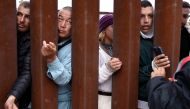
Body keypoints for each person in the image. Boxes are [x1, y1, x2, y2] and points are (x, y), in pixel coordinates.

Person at [138, 1, 170, 109]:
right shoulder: (131, 42)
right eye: (141, 16)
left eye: (150, 16)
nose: (146, 21)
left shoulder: (163, 37)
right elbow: (129, 76)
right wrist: (152, 66)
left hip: (164, 98)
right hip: (141, 100)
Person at [41, 6, 72, 109]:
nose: (63, 25)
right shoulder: (44, 37)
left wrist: (52, 58)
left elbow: (64, 79)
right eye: (60, 19)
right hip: (39, 97)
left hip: (61, 103)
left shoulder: (75, 48)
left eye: (69, 22)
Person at [4, 1, 31, 109]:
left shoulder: (33, 40)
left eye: (27, 16)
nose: (21, 20)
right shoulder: (7, 33)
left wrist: (13, 96)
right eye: (19, 14)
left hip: (22, 95)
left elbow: (27, 72)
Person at [98, 14, 122, 109]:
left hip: (119, 99)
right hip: (102, 100)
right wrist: (108, 67)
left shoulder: (120, 49)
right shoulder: (96, 49)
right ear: (103, 29)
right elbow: (92, 78)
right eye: (112, 26)